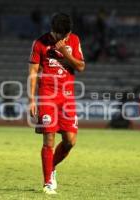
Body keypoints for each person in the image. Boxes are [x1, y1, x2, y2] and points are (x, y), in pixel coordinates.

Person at [28, 13, 85, 195]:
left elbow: (81, 66)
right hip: (47, 97)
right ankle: (47, 183)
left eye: (68, 34)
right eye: (63, 35)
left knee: (70, 141)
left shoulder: (74, 40)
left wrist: (66, 52)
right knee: (49, 139)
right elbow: (33, 72)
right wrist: (31, 100)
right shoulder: (40, 43)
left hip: (67, 98)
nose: (66, 37)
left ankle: (50, 166)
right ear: (55, 32)